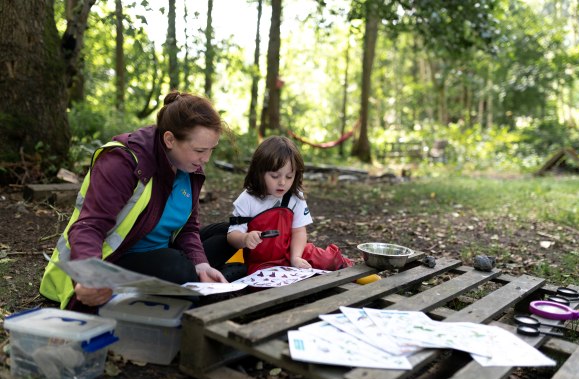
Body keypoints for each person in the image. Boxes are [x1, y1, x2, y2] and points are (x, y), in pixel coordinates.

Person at [40, 91, 237, 311]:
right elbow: (89, 226)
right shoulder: (123, 162)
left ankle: (199, 280)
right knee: (177, 267)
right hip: (115, 262)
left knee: (228, 234)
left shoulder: (189, 168)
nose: (206, 159)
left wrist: (201, 263)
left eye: (211, 150)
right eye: (200, 150)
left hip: (163, 255)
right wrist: (89, 277)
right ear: (170, 139)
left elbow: (188, 227)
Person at [227, 136, 353, 275]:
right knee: (268, 281)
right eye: (275, 176)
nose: (282, 183)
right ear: (259, 173)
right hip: (264, 262)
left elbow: (299, 231)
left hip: (293, 252)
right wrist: (244, 239)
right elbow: (232, 235)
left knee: (325, 258)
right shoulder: (247, 199)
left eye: (289, 177)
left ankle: (348, 267)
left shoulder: (295, 197)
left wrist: (296, 257)